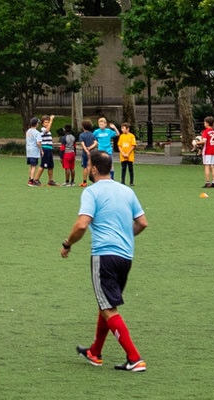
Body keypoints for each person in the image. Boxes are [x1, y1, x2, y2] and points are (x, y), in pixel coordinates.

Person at [62, 152, 149, 372]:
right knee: (107, 304)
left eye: (88, 164)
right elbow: (142, 223)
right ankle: (95, 352)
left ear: (93, 169)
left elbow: (82, 224)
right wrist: (124, 235)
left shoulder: (92, 191)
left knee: (109, 308)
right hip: (125, 256)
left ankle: (135, 358)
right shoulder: (126, 191)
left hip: (104, 255)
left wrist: (67, 244)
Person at [198, 115, 214, 191]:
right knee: (212, 166)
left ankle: (207, 182)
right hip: (213, 151)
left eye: (204, 122)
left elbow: (204, 141)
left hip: (207, 151)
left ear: (207, 123)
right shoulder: (213, 131)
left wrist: (197, 142)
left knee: (206, 166)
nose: (204, 123)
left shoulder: (206, 131)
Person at [23, 118, 45, 185]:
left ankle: (30, 178)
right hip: (34, 151)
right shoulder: (37, 133)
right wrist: (41, 150)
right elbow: (38, 143)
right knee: (34, 166)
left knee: (30, 166)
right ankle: (31, 180)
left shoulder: (28, 131)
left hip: (28, 150)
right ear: (36, 124)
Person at [39, 117, 60, 186]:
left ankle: (50, 180)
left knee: (51, 166)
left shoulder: (48, 130)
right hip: (45, 149)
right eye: (45, 122)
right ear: (42, 124)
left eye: (48, 122)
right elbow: (47, 130)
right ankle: (36, 179)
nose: (47, 123)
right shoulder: (43, 129)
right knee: (43, 165)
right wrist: (51, 120)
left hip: (49, 149)